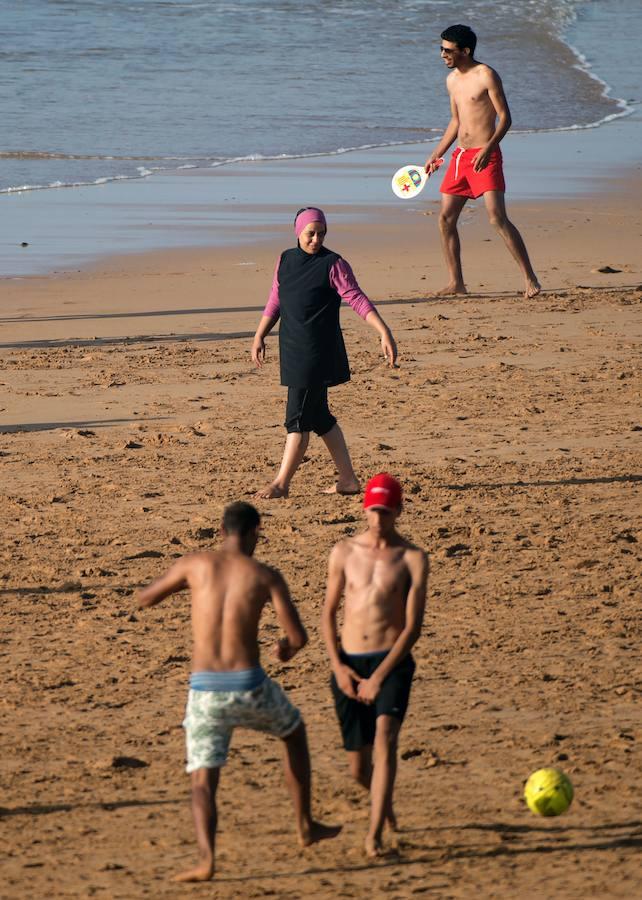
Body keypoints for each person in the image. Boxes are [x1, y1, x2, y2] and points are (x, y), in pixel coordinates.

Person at [136, 501, 339, 883]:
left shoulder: (194, 564)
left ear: (220, 532)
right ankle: (305, 824)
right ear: (253, 533)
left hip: (205, 690)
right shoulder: (265, 575)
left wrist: (185, 584)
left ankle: (206, 860)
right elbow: (298, 637)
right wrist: (285, 649)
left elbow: (147, 597)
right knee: (294, 733)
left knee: (202, 778)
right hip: (249, 685)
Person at [251, 207, 397, 499]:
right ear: (298, 232)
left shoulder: (334, 264)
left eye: (321, 234)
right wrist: (259, 335)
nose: (316, 239)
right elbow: (275, 300)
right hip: (292, 350)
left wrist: (383, 331)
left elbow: (356, 298)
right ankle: (348, 480)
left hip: (316, 353)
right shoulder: (285, 260)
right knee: (319, 417)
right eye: (311, 233)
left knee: (297, 419)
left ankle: (281, 483)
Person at [321, 473, 428, 857]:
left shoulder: (413, 559)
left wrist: (379, 678)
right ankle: (385, 807)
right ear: (364, 509)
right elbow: (328, 613)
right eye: (373, 511)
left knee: (386, 741)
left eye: (385, 511)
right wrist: (339, 667)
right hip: (349, 661)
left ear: (398, 511)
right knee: (357, 770)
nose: (378, 519)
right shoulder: (344, 552)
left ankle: (374, 836)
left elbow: (412, 628)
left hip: (391, 663)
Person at [425, 24, 540, 299]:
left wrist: (488, 149)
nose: (442, 54)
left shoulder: (486, 75)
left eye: (448, 50)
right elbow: (456, 121)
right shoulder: (451, 80)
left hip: (485, 157)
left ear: (465, 51)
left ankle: (530, 279)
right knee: (445, 219)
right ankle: (457, 283)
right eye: (440, 48)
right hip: (461, 158)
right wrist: (436, 153)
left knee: (497, 219)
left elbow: (505, 118)